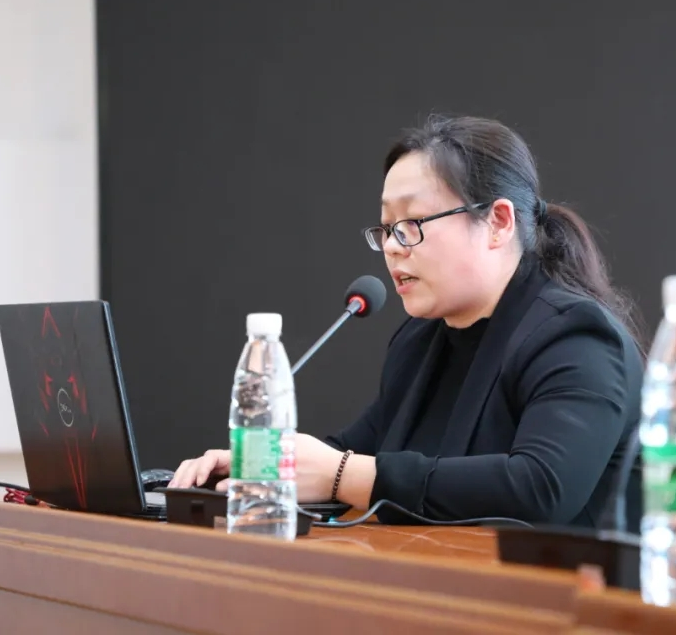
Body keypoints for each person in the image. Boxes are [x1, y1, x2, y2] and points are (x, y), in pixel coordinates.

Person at [168, 115, 644, 527]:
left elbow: (541, 488)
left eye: (412, 224)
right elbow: (355, 450)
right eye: (386, 228)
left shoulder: (576, 337)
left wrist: (342, 474)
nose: (393, 247)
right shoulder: (420, 341)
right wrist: (264, 466)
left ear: (498, 222)